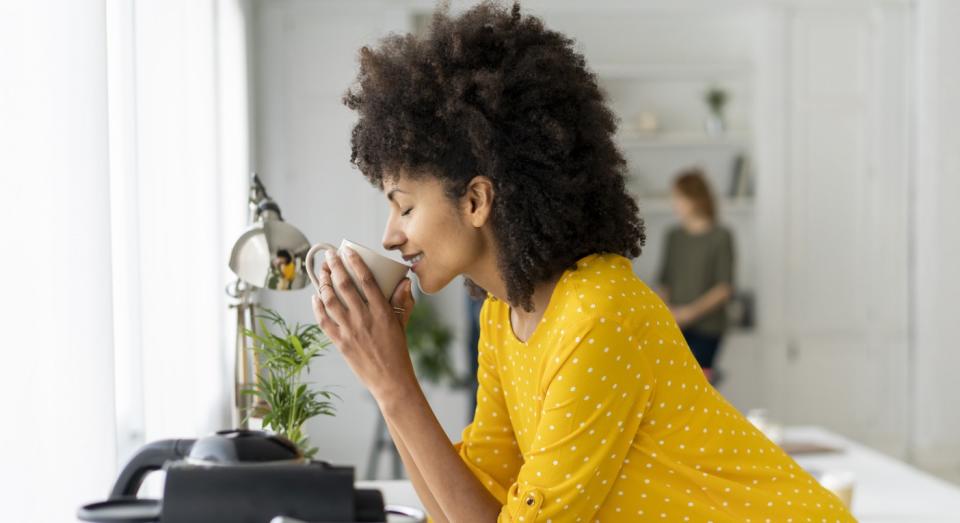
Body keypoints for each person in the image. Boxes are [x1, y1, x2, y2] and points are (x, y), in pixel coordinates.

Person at [309, 2, 855, 522]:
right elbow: (469, 504)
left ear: (476, 201)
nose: (391, 235)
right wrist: (384, 377)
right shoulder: (503, 317)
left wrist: (394, 384)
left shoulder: (597, 315)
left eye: (405, 206)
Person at [656, 169, 735, 385]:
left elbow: (724, 288)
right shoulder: (673, 236)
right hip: (674, 325)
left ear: (695, 198)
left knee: (695, 385)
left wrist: (689, 313)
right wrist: (668, 315)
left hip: (708, 328)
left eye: (679, 197)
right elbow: (665, 281)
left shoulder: (720, 237)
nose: (676, 203)